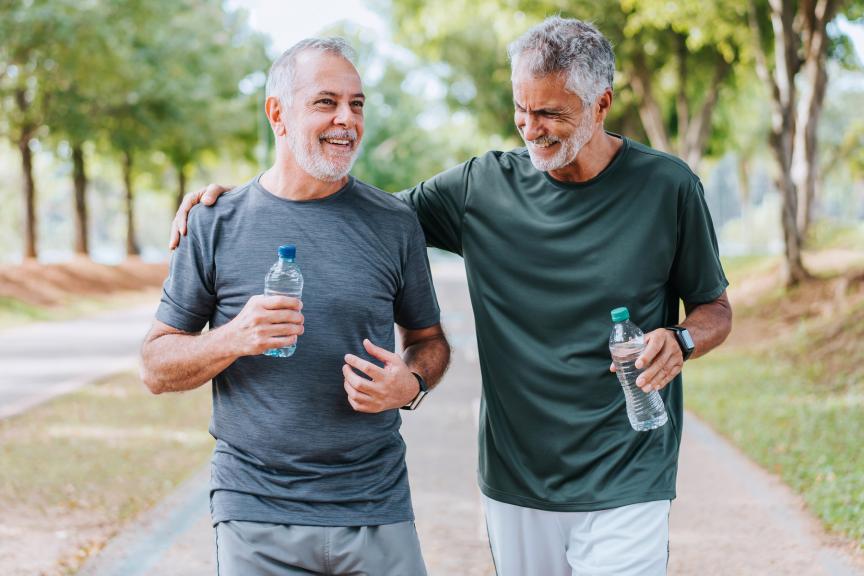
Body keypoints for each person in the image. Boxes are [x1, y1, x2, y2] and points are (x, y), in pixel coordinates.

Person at [170, 18, 732, 576]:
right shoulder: (480, 188)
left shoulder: (668, 186)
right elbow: (344, 207)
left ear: (601, 104)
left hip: (630, 465)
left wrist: (680, 339)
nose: (530, 128)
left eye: (550, 113)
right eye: (521, 108)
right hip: (517, 476)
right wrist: (235, 202)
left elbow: (715, 309)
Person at [141, 37, 450, 576]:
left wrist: (413, 385)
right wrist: (233, 337)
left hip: (375, 506)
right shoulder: (215, 222)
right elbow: (155, 367)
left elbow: (430, 342)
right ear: (277, 114)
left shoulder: (394, 223)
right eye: (325, 102)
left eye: (356, 104)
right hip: (254, 511)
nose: (346, 120)